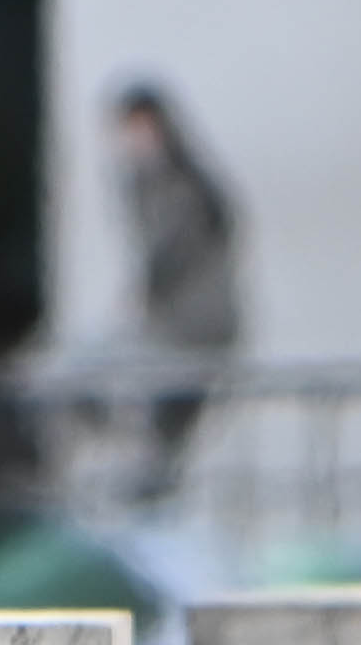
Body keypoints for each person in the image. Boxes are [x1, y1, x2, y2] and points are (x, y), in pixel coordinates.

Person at [110, 77, 248, 497]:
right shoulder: (146, 184)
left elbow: (170, 255)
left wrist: (142, 297)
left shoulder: (178, 185)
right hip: (177, 329)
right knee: (160, 435)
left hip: (191, 331)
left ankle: (148, 489)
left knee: (150, 411)